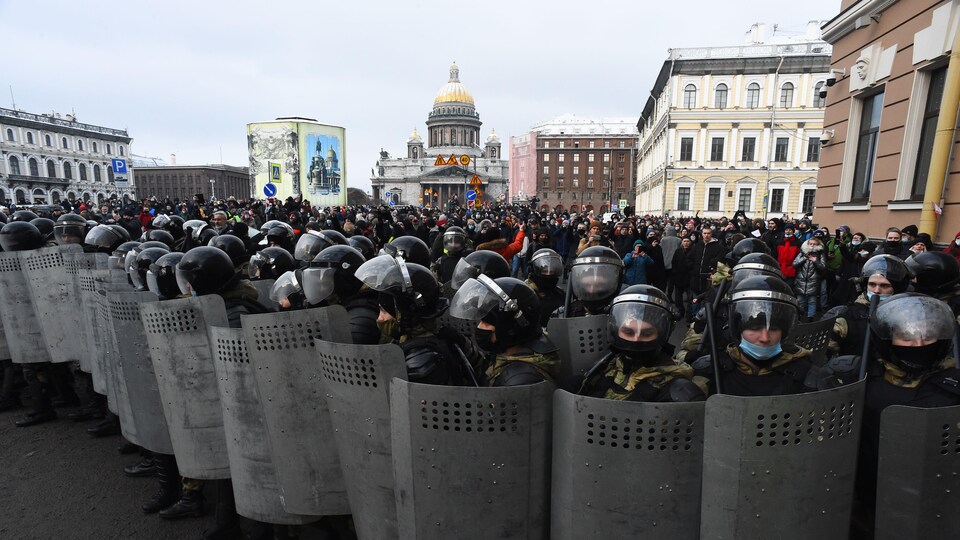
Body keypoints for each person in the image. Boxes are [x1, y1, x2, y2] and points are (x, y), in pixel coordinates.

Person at [830, 294, 960, 538]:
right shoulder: (859, 380)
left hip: (936, 500)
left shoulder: (952, 387)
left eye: (928, 337)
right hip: (867, 501)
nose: (919, 345)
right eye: (906, 337)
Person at [691, 274, 820, 396]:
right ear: (737, 329)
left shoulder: (807, 377)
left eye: (774, 329)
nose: (765, 338)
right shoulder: (711, 370)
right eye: (754, 328)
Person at [580, 285, 706, 401]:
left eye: (646, 334)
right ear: (616, 331)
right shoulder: (604, 367)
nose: (636, 340)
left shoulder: (678, 391)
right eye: (628, 332)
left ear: (662, 335)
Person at [356, 255, 467, 385]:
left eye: (384, 311)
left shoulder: (421, 361)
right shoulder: (408, 341)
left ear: (406, 313)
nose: (380, 318)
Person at [450, 275, 559, 386]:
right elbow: (488, 369)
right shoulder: (515, 354)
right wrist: (463, 344)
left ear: (510, 328)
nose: (480, 326)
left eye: (487, 323)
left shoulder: (519, 381)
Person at [824, 254, 913, 358]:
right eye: (872, 284)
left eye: (884, 286)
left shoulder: (909, 315)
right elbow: (823, 353)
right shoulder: (846, 315)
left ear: (897, 288)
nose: (876, 291)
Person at [556, 246, 624, 317]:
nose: (591, 290)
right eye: (587, 285)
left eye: (599, 285)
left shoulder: (622, 314)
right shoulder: (567, 312)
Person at [525, 248, 565, 328]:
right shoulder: (525, 294)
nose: (549, 273)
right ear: (533, 270)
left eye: (551, 270)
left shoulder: (561, 294)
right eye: (545, 270)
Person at [793, 237, 827, 322]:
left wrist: (815, 261)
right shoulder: (803, 253)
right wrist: (804, 258)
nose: (812, 246)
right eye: (810, 244)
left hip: (813, 281)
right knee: (800, 301)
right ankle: (798, 317)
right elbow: (794, 264)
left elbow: (823, 267)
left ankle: (810, 317)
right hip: (801, 280)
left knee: (812, 301)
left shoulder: (820, 254)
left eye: (814, 244)